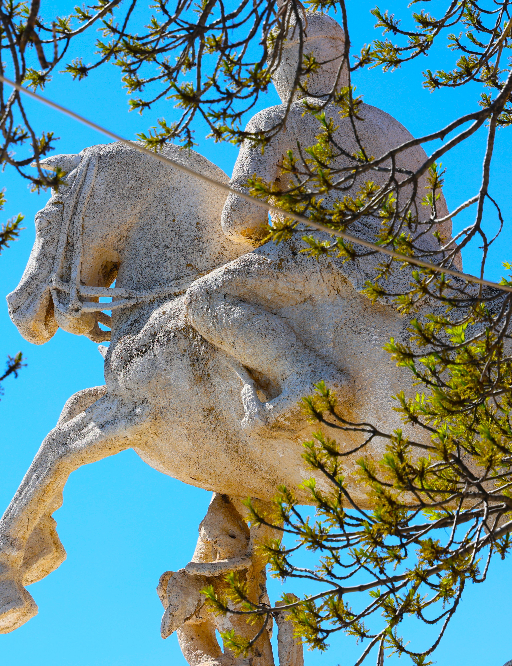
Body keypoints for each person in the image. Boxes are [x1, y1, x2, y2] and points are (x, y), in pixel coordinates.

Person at [185, 10, 455, 431]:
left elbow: (241, 219)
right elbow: (442, 226)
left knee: (204, 300)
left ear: (286, 64)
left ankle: (305, 373)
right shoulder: (396, 130)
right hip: (422, 273)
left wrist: (269, 231)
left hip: (325, 256)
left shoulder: (274, 121)